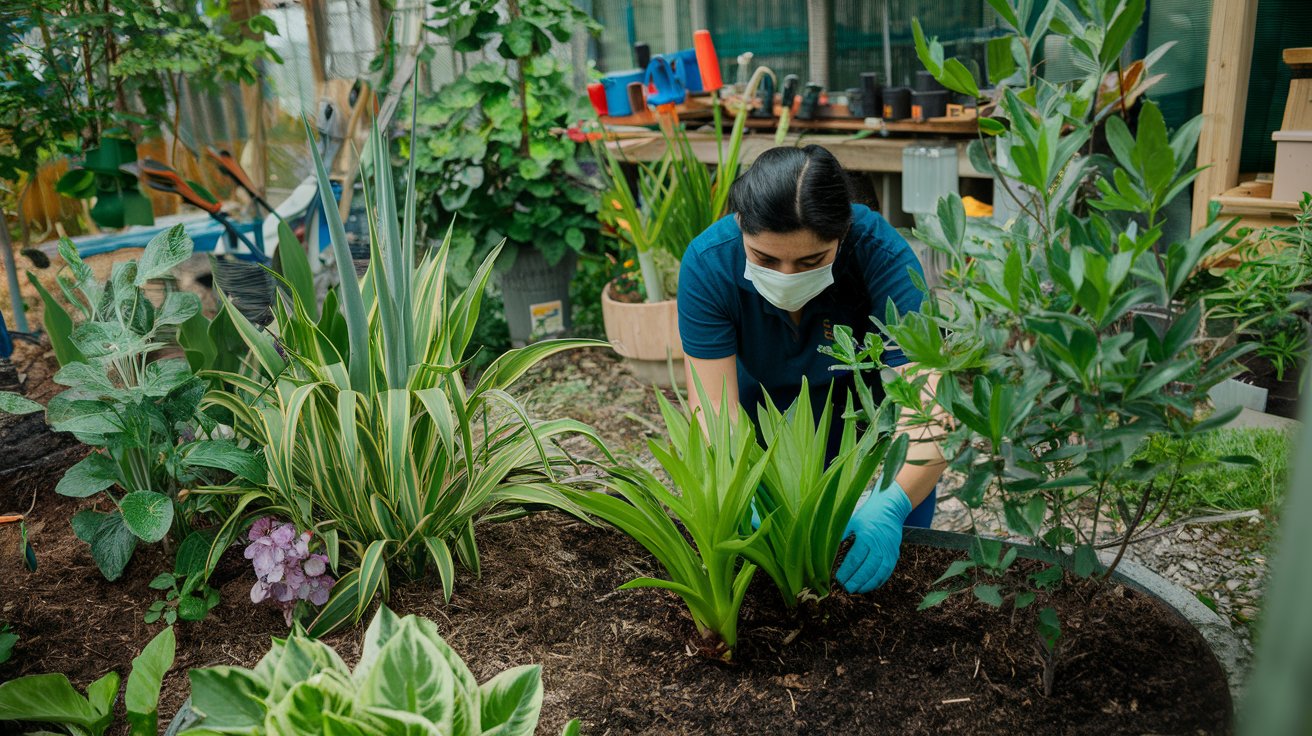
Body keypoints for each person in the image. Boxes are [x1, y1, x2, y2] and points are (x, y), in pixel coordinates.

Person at [677, 144, 946, 595]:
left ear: (842, 233)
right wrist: (745, 494)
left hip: (877, 461)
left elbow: (930, 408)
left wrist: (891, 504)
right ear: (741, 226)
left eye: (810, 261)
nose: (786, 276)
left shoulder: (878, 253)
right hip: (763, 459)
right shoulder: (710, 265)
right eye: (764, 259)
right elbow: (713, 412)